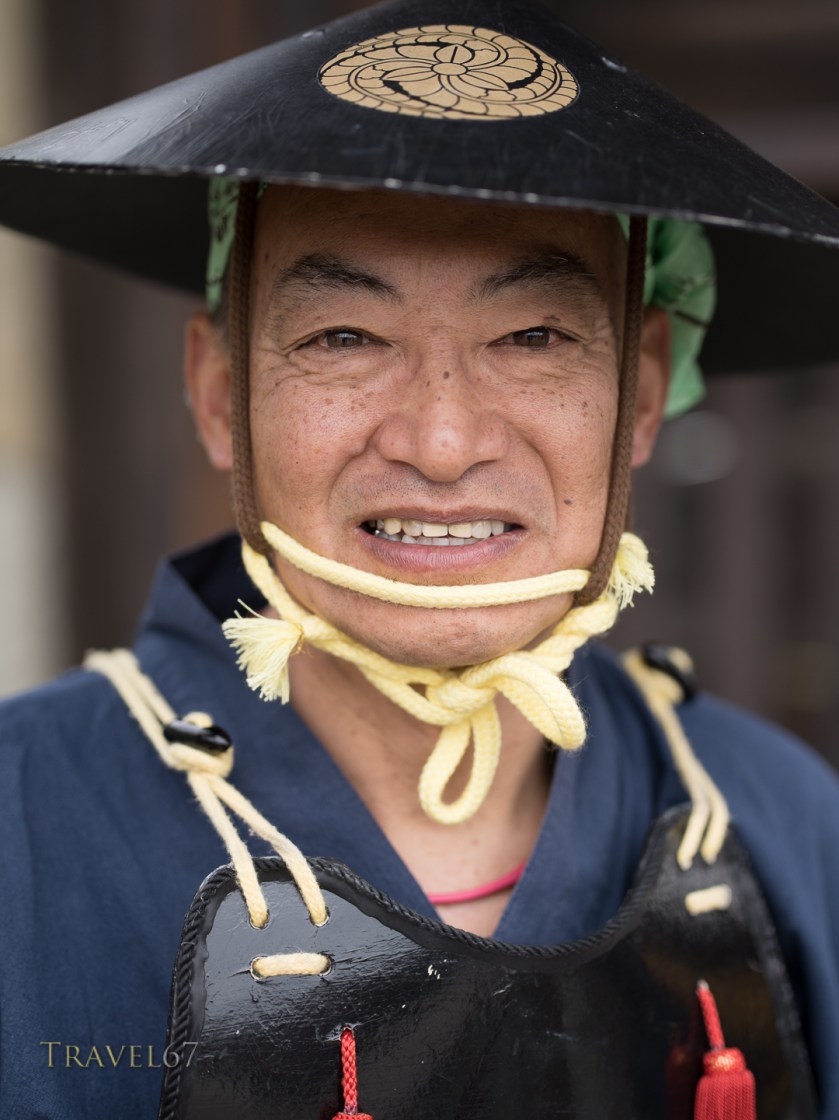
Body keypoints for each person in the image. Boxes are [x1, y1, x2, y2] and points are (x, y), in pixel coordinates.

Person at [1, 2, 838, 1117]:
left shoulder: (775, 818)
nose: (441, 443)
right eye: (341, 337)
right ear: (217, 393)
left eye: (531, 336)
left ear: (639, 392)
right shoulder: (20, 820)